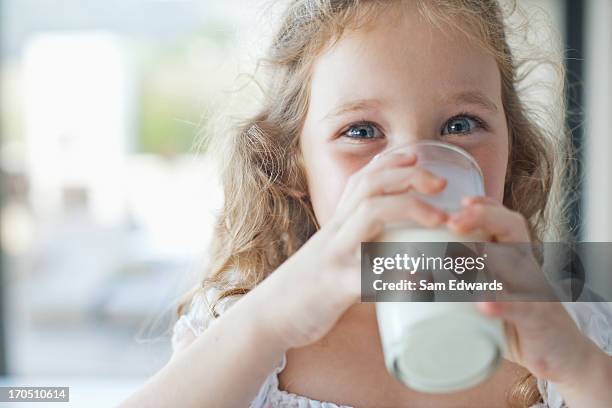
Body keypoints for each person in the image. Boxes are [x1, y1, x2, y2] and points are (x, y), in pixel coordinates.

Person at [122, 0, 612, 406]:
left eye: (460, 126)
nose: (418, 174)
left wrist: (575, 365)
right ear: (295, 165)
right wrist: (268, 321)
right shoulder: (244, 347)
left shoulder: (570, 334)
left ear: (513, 144)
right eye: (361, 132)